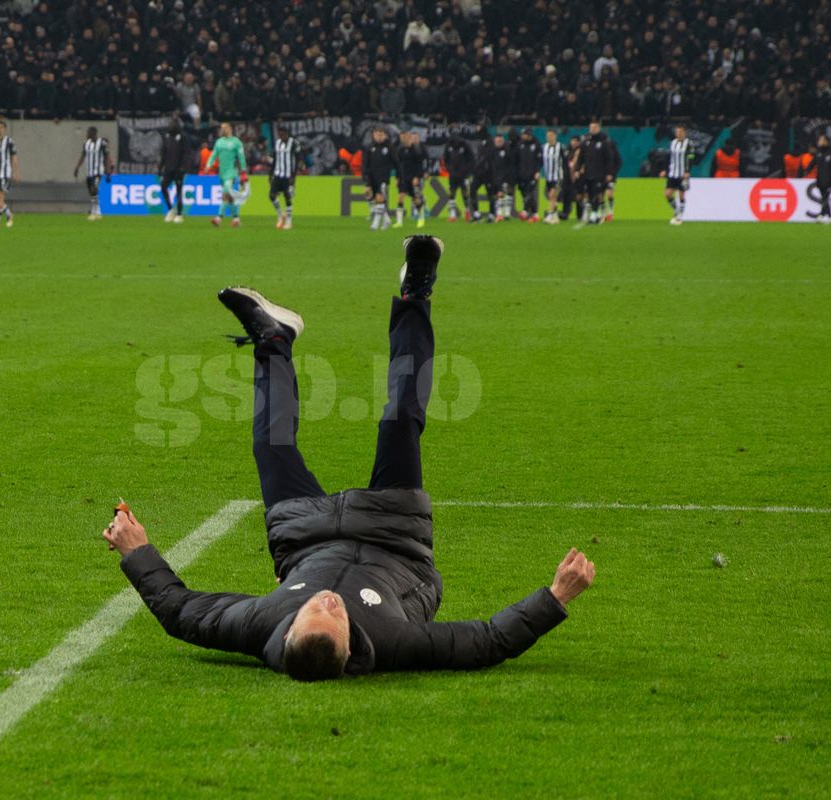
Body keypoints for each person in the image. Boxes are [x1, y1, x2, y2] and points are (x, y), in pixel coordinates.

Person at [103, 235, 597, 680]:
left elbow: (180, 612)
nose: (329, 602)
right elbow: (487, 641)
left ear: (289, 629)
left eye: (313, 611)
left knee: (270, 444)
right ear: (351, 646)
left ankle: (274, 339)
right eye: (337, 616)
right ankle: (415, 294)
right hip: (396, 537)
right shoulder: (392, 642)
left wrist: (135, 550)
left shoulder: (259, 626)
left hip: (304, 535)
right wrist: (556, 597)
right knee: (399, 421)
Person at [205, 122, 247, 228]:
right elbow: (213, 155)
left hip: (232, 172)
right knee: (229, 197)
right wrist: (208, 165)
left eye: (224, 128)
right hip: (222, 173)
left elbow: (241, 158)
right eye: (221, 128)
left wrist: (243, 172)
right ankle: (236, 218)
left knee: (225, 192)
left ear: (230, 129)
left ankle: (219, 217)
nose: (222, 130)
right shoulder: (219, 142)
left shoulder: (236, 142)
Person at [362, 126, 399, 231]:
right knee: (369, 195)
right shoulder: (369, 147)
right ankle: (386, 219)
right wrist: (365, 176)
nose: (379, 136)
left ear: (385, 136)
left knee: (379, 197)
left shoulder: (389, 148)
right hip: (371, 177)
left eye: (381, 134)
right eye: (377, 134)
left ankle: (375, 223)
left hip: (383, 177)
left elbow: (396, 163)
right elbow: (365, 164)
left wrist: (398, 177)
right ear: (373, 135)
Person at [74, 125, 113, 221]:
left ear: (93, 133)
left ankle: (93, 212)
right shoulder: (86, 143)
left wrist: (108, 172)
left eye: (88, 132)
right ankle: (98, 212)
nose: (86, 134)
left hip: (98, 171)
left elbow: (107, 157)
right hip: (89, 172)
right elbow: (83, 155)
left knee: (94, 189)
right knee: (92, 193)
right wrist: (77, 167)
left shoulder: (102, 143)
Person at [269, 126, 303, 230]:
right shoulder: (277, 143)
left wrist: (294, 176)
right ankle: (280, 215)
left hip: (288, 175)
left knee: (287, 197)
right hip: (278, 174)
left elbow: (298, 158)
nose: (281, 137)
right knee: (272, 196)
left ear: (287, 134)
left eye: (282, 135)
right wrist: (270, 174)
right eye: (279, 135)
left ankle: (289, 221)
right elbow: (275, 160)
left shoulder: (294, 143)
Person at [158, 117, 190, 223]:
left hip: (178, 169)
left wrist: (183, 167)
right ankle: (171, 209)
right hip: (168, 168)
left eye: (174, 123)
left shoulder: (183, 137)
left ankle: (179, 214)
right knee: (163, 186)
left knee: (178, 190)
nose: (172, 125)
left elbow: (186, 153)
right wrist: (160, 167)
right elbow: (164, 153)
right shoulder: (167, 136)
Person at [394, 131, 427, 229]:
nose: (403, 139)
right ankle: (399, 222)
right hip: (403, 177)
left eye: (404, 137)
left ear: (408, 137)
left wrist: (417, 177)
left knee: (415, 199)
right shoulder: (400, 150)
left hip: (413, 177)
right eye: (401, 137)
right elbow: (398, 165)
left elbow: (420, 165)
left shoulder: (416, 150)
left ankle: (421, 218)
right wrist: (397, 177)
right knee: (401, 197)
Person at [661, 124, 693, 226]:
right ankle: (677, 209)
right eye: (677, 132)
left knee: (681, 195)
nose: (678, 133)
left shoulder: (689, 144)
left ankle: (680, 217)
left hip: (683, 174)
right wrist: (665, 170)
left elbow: (690, 158)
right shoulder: (672, 143)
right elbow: (668, 157)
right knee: (667, 194)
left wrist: (687, 171)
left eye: (680, 132)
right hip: (672, 173)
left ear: (684, 132)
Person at [440, 127, 474, 222]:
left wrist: (467, 171)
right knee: (452, 194)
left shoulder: (465, 145)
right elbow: (445, 159)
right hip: (453, 174)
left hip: (464, 175)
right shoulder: (448, 145)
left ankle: (467, 212)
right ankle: (452, 215)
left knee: (465, 194)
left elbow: (471, 159)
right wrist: (449, 169)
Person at [805, 135, 831, 224]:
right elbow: (813, 162)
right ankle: (828, 217)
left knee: (825, 198)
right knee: (824, 199)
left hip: (829, 181)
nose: (819, 142)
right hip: (820, 180)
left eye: (821, 140)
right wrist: (807, 170)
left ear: (826, 141)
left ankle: (822, 216)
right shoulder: (819, 153)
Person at [516, 128, 542, 223]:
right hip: (522, 174)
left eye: (524, 134)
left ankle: (530, 212)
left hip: (532, 174)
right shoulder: (520, 144)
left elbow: (539, 160)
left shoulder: (537, 144)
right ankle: (530, 213)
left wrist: (537, 171)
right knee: (524, 193)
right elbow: (517, 159)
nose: (522, 136)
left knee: (531, 193)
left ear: (529, 135)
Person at [541, 129, 566, 224]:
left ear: (555, 136)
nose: (549, 137)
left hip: (558, 176)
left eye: (551, 135)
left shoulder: (560, 147)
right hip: (548, 177)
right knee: (552, 197)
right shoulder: (544, 147)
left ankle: (549, 215)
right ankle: (555, 217)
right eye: (548, 136)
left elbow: (565, 161)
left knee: (552, 195)